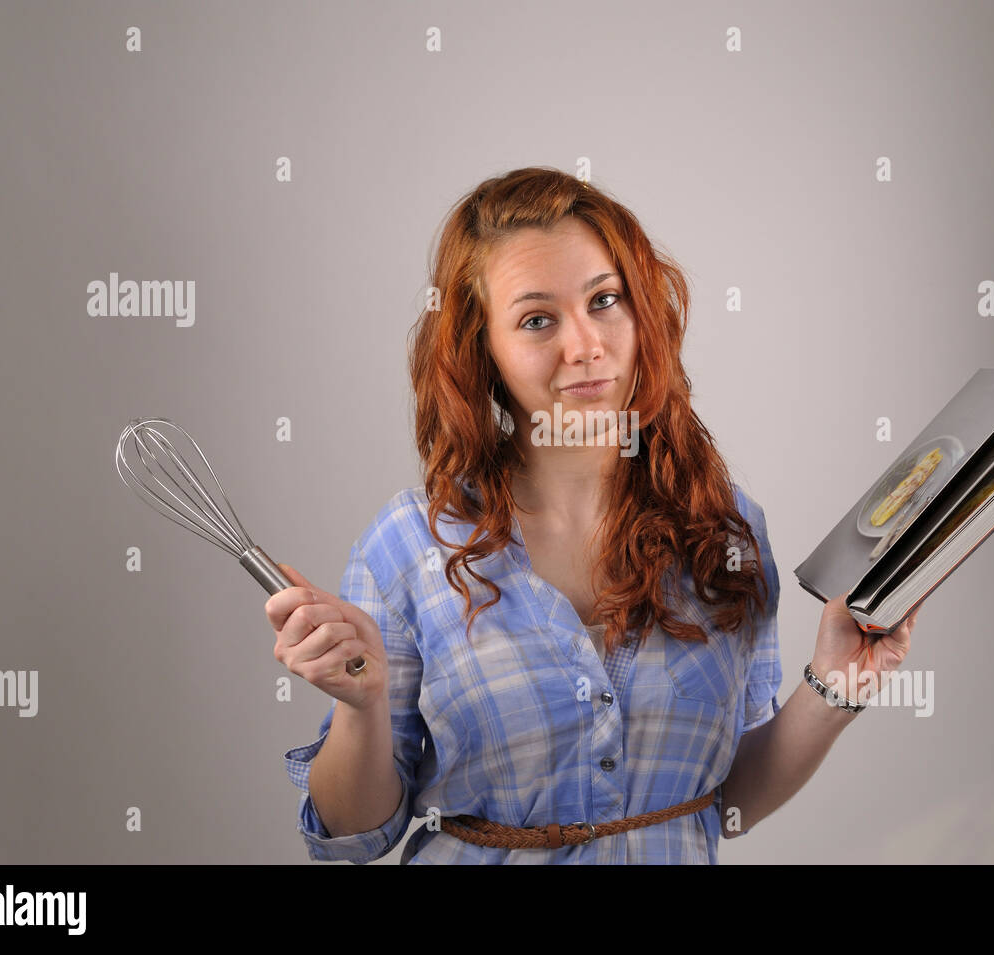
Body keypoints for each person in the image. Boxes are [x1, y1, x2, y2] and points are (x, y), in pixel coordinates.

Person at [269, 167, 922, 864]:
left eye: (605, 300)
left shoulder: (726, 529)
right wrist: (362, 706)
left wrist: (833, 685)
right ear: (480, 348)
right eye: (536, 319)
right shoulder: (406, 546)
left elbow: (726, 801)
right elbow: (353, 836)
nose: (584, 345)